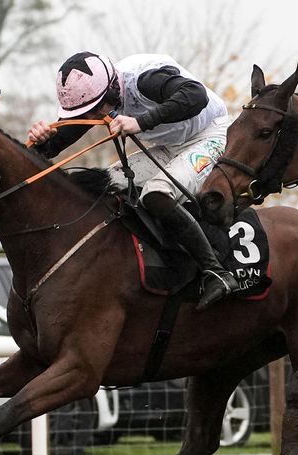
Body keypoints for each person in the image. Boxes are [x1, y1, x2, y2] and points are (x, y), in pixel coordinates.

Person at [28, 51, 237, 309]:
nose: (93, 119)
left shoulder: (145, 80)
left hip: (212, 135)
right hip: (171, 144)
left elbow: (196, 96)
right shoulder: (100, 95)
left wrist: (140, 122)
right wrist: (42, 141)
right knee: (104, 183)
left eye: (95, 110)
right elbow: (57, 142)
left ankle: (215, 272)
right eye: (87, 113)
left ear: (112, 89)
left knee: (157, 193)